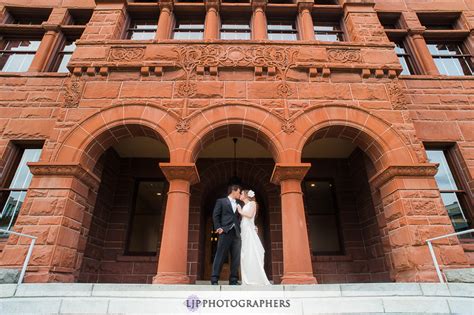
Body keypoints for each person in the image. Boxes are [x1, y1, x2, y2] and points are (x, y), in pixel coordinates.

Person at [237, 189, 271, 285]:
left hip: (248, 231)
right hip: (244, 231)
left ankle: (255, 278)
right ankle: (247, 277)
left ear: (247, 195)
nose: (240, 194)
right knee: (245, 253)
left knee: (252, 252)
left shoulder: (252, 203)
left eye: (242, 193)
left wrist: (240, 211)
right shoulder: (245, 205)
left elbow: (250, 215)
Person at [210, 185, 242, 285]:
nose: (240, 194)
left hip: (236, 232)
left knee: (236, 257)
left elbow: (242, 218)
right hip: (225, 232)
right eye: (239, 192)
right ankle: (214, 278)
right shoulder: (221, 201)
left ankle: (233, 280)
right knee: (220, 255)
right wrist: (218, 228)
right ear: (233, 190)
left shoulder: (239, 204)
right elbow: (216, 215)